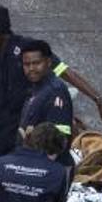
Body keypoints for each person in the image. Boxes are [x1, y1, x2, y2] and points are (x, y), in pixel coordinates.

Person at [0, 6, 102, 171]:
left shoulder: (28, 50)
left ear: (4, 35)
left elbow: (65, 72)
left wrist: (98, 100)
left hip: (26, 121)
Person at [18, 39, 74, 167]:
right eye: (27, 64)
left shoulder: (55, 91)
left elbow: (58, 142)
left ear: (48, 62)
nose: (31, 68)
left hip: (49, 169)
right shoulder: (35, 86)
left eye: (36, 63)